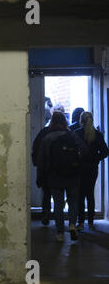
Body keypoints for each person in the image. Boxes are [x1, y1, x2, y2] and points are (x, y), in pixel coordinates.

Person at [37, 112, 87, 242]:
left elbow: (41, 159)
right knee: (73, 202)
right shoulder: (72, 134)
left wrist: (41, 175)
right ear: (64, 121)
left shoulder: (47, 138)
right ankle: (71, 225)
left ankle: (59, 233)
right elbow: (84, 150)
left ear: (52, 121)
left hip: (54, 175)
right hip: (73, 175)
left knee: (58, 204)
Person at [32, 103, 66, 226]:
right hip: (64, 170)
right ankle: (59, 219)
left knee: (46, 193)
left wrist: (37, 164)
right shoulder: (69, 133)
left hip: (47, 169)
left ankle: (46, 213)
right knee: (60, 195)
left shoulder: (44, 132)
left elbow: (35, 149)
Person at [75, 112, 109, 231]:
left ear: (81, 121)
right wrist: (95, 159)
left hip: (79, 168)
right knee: (90, 194)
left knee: (80, 195)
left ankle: (80, 222)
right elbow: (105, 151)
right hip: (92, 168)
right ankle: (90, 221)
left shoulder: (77, 133)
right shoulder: (98, 135)